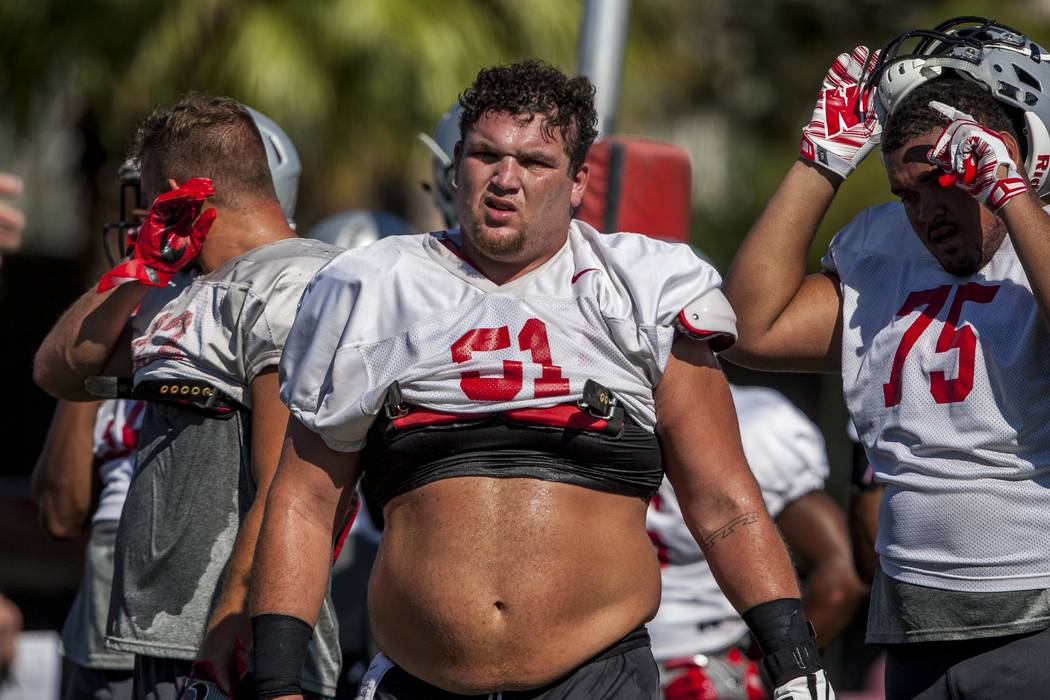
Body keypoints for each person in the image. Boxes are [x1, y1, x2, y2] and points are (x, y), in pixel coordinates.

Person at [249, 59, 834, 700]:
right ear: (456, 164)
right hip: (417, 680)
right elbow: (304, 502)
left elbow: (720, 498)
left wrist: (794, 660)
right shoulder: (371, 287)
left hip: (596, 676)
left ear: (579, 180)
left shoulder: (642, 288)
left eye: (534, 162)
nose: (505, 179)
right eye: (485, 155)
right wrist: (276, 678)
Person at [722, 17, 1050, 699]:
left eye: (945, 178)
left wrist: (1009, 194)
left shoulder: (1034, 239)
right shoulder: (883, 255)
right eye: (907, 192)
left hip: (1038, 621)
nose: (927, 209)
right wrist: (821, 163)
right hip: (913, 626)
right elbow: (751, 328)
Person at [32, 94, 342, 700]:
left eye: (152, 202)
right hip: (160, 640)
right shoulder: (187, 291)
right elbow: (60, 369)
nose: (144, 217)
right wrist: (139, 267)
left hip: (235, 644)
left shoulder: (297, 283)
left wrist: (232, 620)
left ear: (181, 194)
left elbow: (285, 487)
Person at [648, 384, 865, 699]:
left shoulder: (755, 423)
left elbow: (840, 579)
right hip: (601, 656)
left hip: (700, 668)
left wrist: (767, 671)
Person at [32, 398, 141, 700]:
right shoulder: (107, 364)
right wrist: (81, 373)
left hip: (193, 603)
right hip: (100, 599)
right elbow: (60, 515)